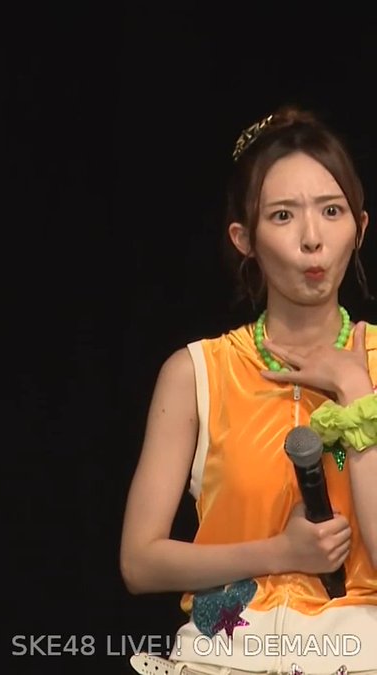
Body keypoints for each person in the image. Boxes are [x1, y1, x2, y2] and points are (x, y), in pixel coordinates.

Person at [121, 106, 377, 675]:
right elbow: (139, 562)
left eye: (331, 211)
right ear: (244, 239)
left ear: (359, 227)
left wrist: (357, 391)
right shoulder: (196, 372)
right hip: (221, 658)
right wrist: (279, 553)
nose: (312, 239)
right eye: (283, 215)